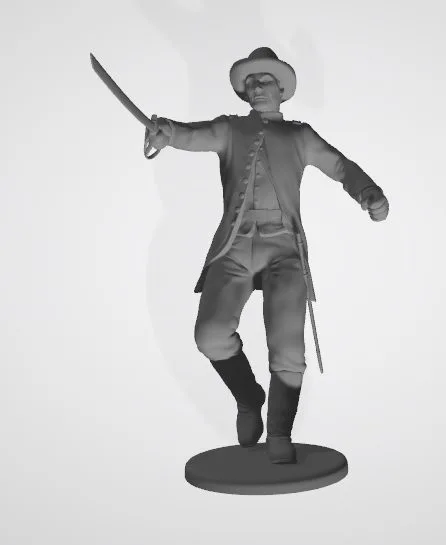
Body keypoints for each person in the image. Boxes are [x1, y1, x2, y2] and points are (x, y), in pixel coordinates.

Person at [145, 47, 389, 464]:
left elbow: (339, 165)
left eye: (266, 81)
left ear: (282, 89)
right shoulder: (230, 129)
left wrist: (368, 191)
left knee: (288, 345)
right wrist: (166, 131)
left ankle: (279, 431)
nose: (257, 87)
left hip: (284, 249)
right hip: (234, 245)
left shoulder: (300, 136)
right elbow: (191, 134)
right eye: (252, 82)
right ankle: (248, 396)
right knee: (210, 334)